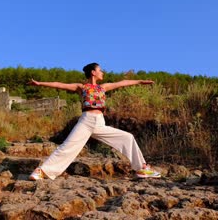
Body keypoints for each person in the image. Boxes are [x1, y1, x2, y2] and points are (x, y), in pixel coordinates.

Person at [28, 62, 161, 180]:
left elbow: (121, 83)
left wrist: (139, 82)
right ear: (93, 72)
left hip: (99, 123)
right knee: (68, 147)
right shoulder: (82, 87)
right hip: (85, 122)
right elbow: (60, 85)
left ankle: (142, 168)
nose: (102, 72)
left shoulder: (103, 87)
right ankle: (41, 171)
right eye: (100, 70)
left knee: (128, 138)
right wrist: (40, 83)